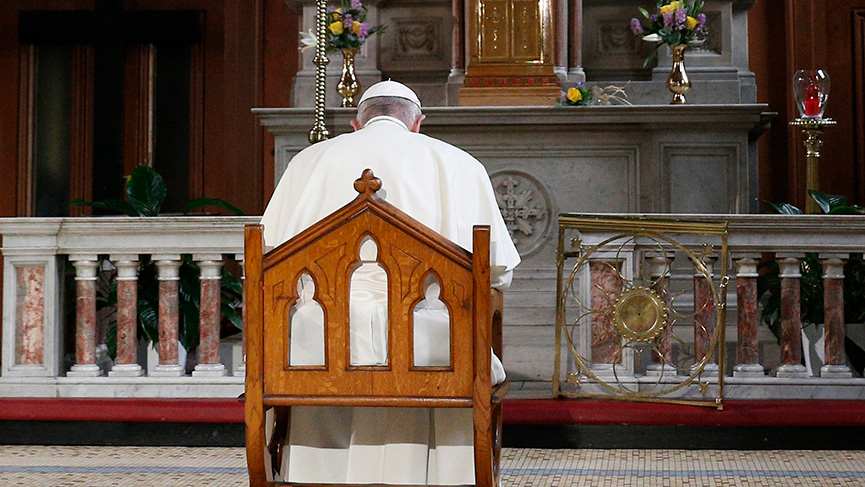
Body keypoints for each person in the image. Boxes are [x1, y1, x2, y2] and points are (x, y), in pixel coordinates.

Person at [260, 80, 520, 485]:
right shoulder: (459, 163)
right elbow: (498, 270)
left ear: (355, 123)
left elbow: (266, 260)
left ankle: (317, 475)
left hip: (319, 341)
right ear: (417, 123)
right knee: (444, 322)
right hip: (429, 341)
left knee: (308, 320)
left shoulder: (309, 162)